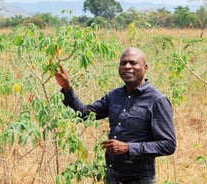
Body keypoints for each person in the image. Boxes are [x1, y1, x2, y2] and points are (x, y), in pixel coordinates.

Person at [55, 47, 176, 184]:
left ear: (145, 67)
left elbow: (168, 145)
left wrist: (128, 148)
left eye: (133, 63)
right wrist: (67, 87)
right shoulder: (115, 95)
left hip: (139, 179)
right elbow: (84, 114)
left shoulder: (157, 100)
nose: (127, 67)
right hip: (113, 176)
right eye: (123, 63)